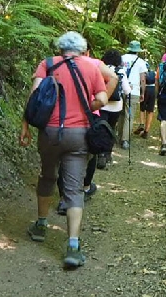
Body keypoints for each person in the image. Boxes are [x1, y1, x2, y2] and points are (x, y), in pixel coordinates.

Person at [19, 31, 108, 268]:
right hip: (79, 135)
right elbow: (102, 99)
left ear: (60, 48)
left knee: (47, 176)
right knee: (74, 188)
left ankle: (40, 226)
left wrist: (25, 126)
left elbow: (34, 97)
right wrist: (88, 105)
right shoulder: (91, 67)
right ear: (82, 49)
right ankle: (72, 246)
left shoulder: (48, 64)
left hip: (49, 133)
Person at [55, 45, 118, 215]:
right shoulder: (95, 64)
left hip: (65, 115)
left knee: (65, 156)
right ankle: (85, 187)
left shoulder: (60, 63)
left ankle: (64, 199)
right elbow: (114, 77)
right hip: (90, 115)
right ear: (87, 52)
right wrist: (100, 100)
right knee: (89, 155)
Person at [97, 49, 132, 166]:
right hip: (116, 106)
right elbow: (127, 91)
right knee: (111, 129)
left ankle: (100, 153)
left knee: (101, 129)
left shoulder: (101, 69)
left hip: (101, 104)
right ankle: (108, 154)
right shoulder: (120, 71)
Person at [117, 40, 147, 149]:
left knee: (121, 114)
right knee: (129, 116)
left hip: (121, 89)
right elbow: (143, 79)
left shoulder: (121, 58)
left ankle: (119, 136)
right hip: (134, 91)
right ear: (138, 51)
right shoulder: (141, 62)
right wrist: (143, 93)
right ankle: (125, 140)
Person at [134, 59, 155, 139]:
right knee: (150, 110)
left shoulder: (142, 73)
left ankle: (142, 123)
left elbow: (141, 81)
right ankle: (146, 131)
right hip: (153, 90)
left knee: (142, 108)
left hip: (145, 89)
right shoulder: (153, 73)